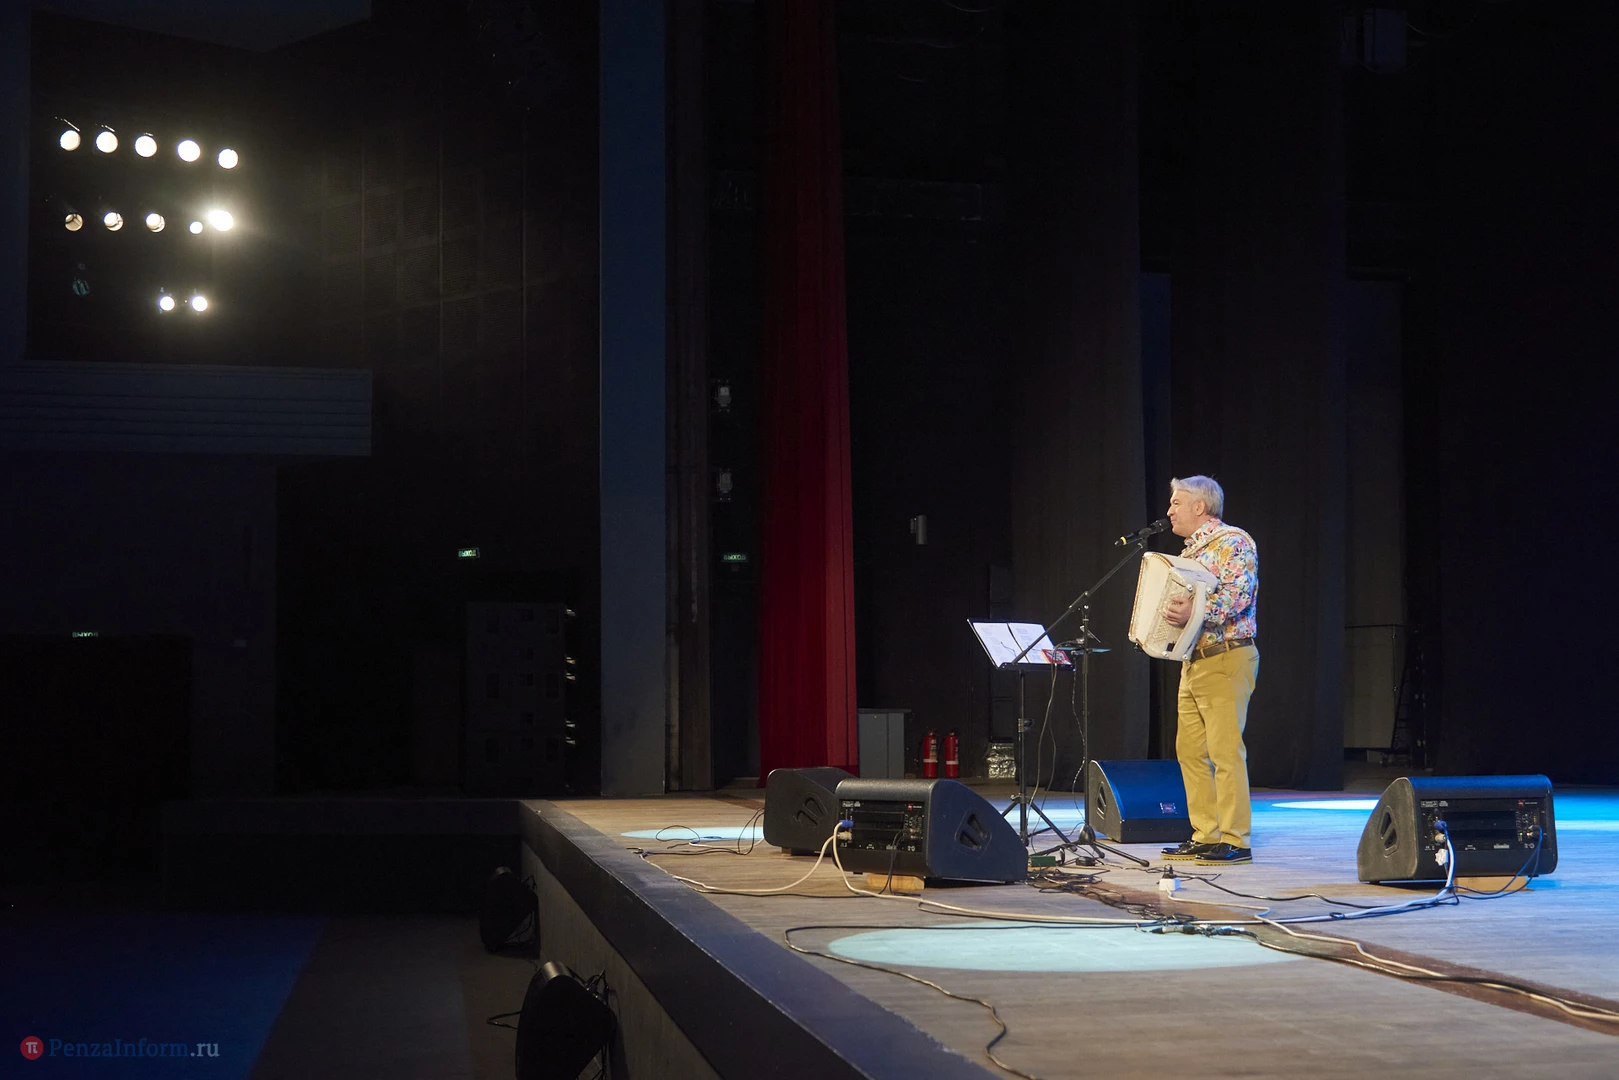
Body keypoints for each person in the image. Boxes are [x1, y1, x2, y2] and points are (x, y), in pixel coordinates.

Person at [1158, 476, 1259, 865]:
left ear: (1199, 507)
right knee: (1190, 751)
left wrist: (1194, 611)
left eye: (1176, 503)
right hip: (1194, 660)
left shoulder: (1233, 541)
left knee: (1224, 751)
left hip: (1226, 656)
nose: (1169, 511)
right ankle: (1206, 834)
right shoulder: (1191, 551)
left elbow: (1238, 595)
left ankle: (1235, 839)